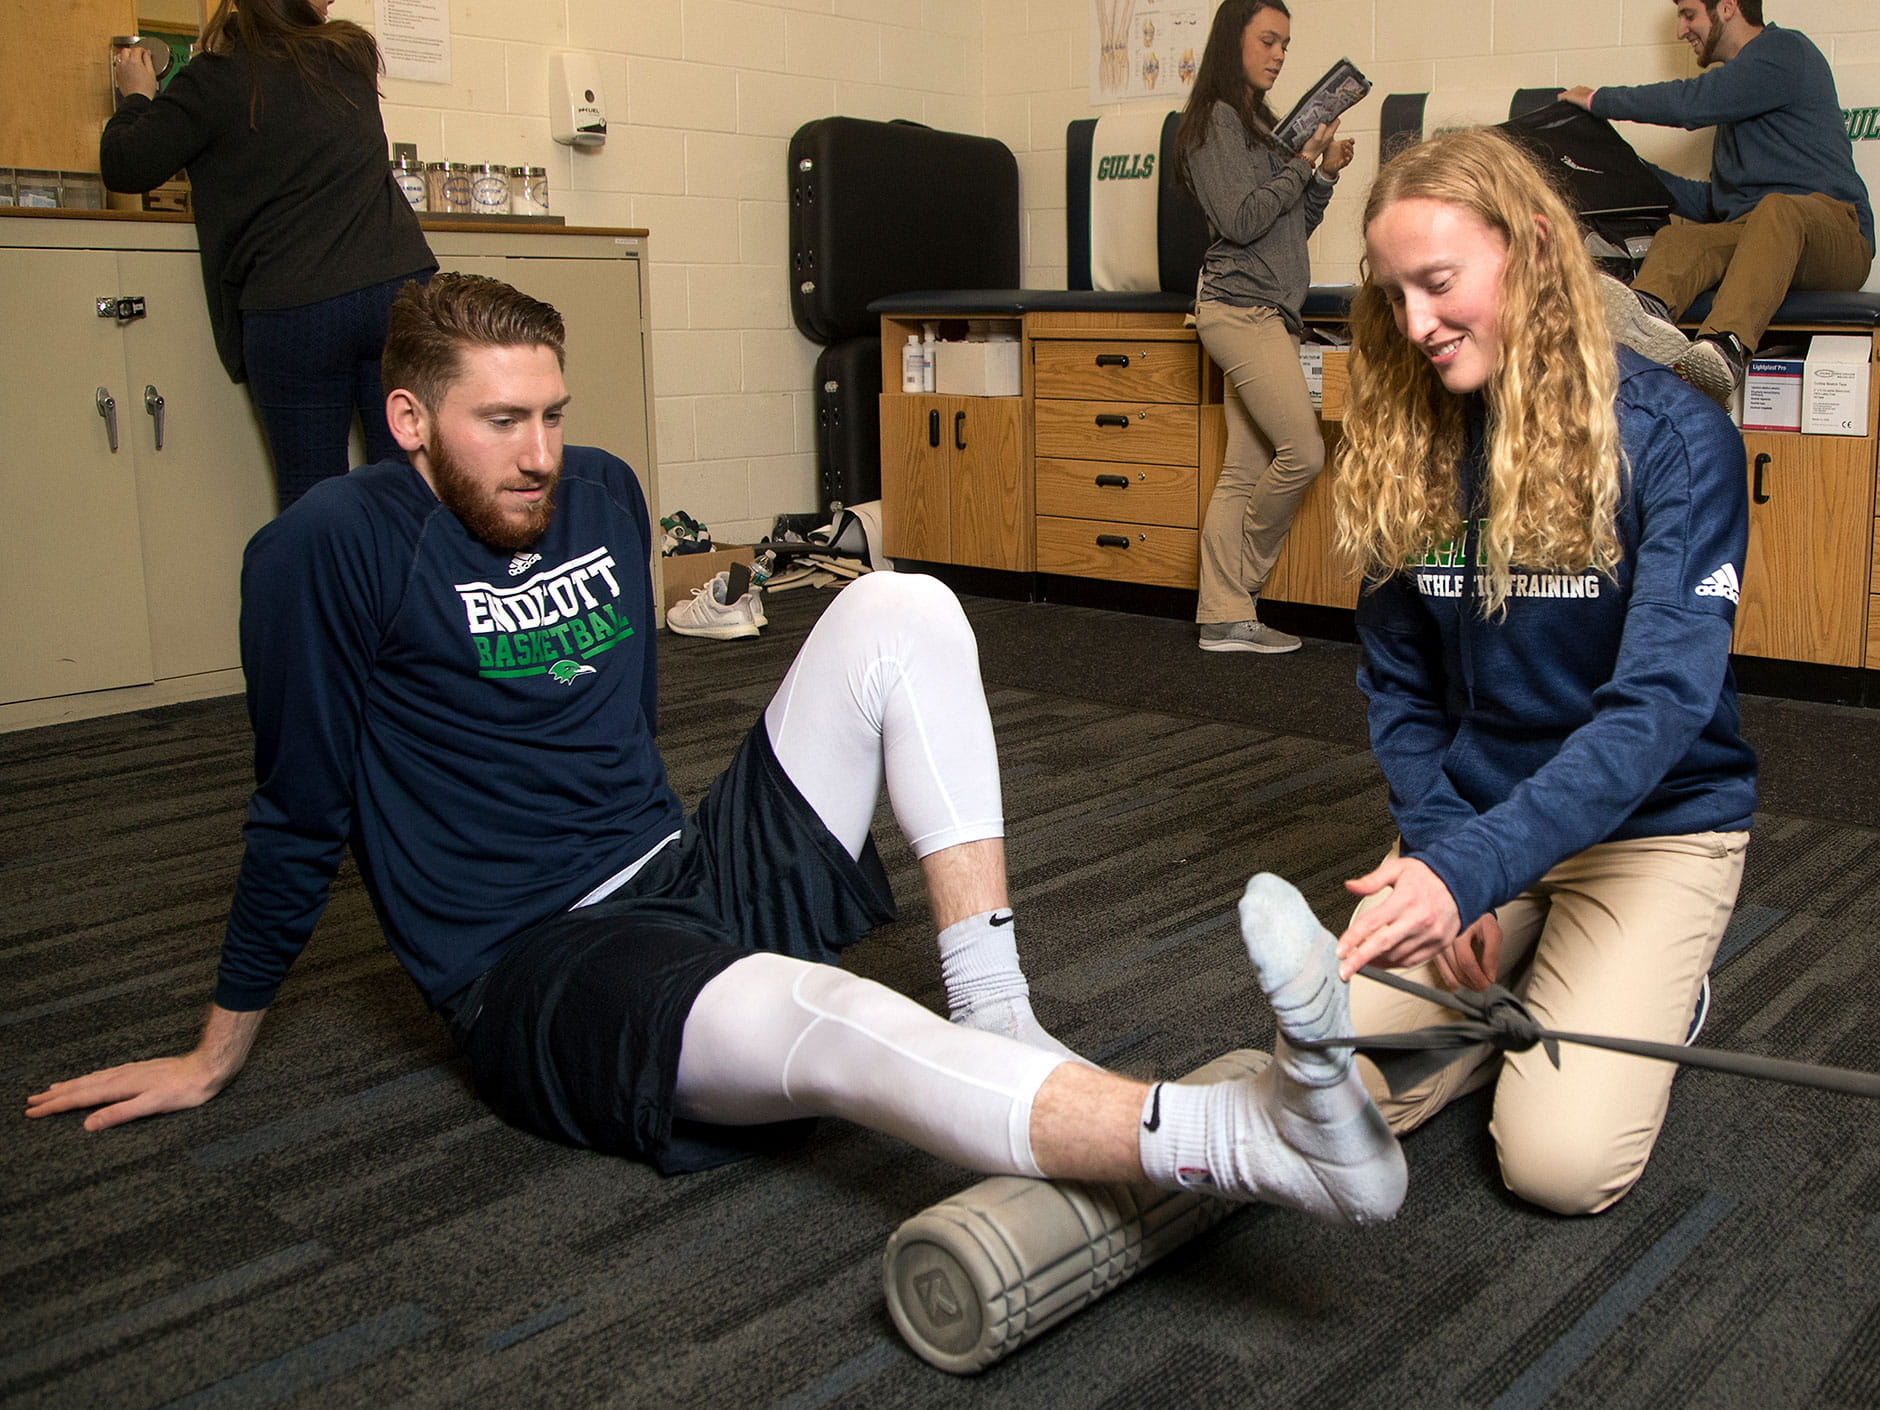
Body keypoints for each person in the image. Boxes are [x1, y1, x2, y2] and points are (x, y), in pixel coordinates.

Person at [26, 273, 1406, 1229]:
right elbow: (296, 809)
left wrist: (700, 868)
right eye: (500, 421)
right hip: (544, 965)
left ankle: (996, 1008)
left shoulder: (606, 492)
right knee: (845, 1020)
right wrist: (214, 1051)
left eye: (553, 411)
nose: (541, 451)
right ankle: (1255, 1144)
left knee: (903, 602)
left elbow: (618, 728)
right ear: (408, 422)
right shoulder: (322, 552)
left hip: (680, 873)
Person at [1329, 129, 1759, 1216]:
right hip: (1482, 813)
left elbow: (1660, 705)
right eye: (1393, 297)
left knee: (1557, 1167)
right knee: (1337, 1081)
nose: (1415, 325)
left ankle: (1656, 991)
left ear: (1524, 249)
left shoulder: (1673, 437)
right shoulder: (1407, 438)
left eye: (1437, 283)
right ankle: (1531, 985)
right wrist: (1441, 850)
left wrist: (1467, 873)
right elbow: (1400, 689)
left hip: (1652, 828)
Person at [102, 0, 437, 510]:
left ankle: (330, 593)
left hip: (298, 305)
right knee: (410, 487)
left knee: (315, 501)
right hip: (398, 288)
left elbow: (127, 165)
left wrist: (136, 96)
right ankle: (415, 592)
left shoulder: (213, 80)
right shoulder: (351, 54)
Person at [1559, 0, 1872, 406]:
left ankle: (1725, 348)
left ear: (1727, 7)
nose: (1680, 30)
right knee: (1680, 239)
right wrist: (1621, 165)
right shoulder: (1741, 98)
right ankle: (1640, 325)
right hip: (1762, 237)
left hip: (1837, 238)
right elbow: (1714, 204)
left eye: (1689, 14)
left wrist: (1598, 100)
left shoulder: (1785, 52)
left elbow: (1692, 104)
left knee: (1779, 210)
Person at [1174, 0, 1356, 655]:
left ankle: (1224, 620)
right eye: (1268, 41)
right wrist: (1301, 164)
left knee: (1244, 469)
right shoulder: (1215, 123)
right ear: (1234, 43)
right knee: (1304, 452)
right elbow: (1244, 221)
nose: (1279, 54)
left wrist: (1323, 175)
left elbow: (1288, 227)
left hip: (1270, 310)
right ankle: (1233, 596)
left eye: (1285, 44)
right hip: (1237, 308)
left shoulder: (1258, 125)